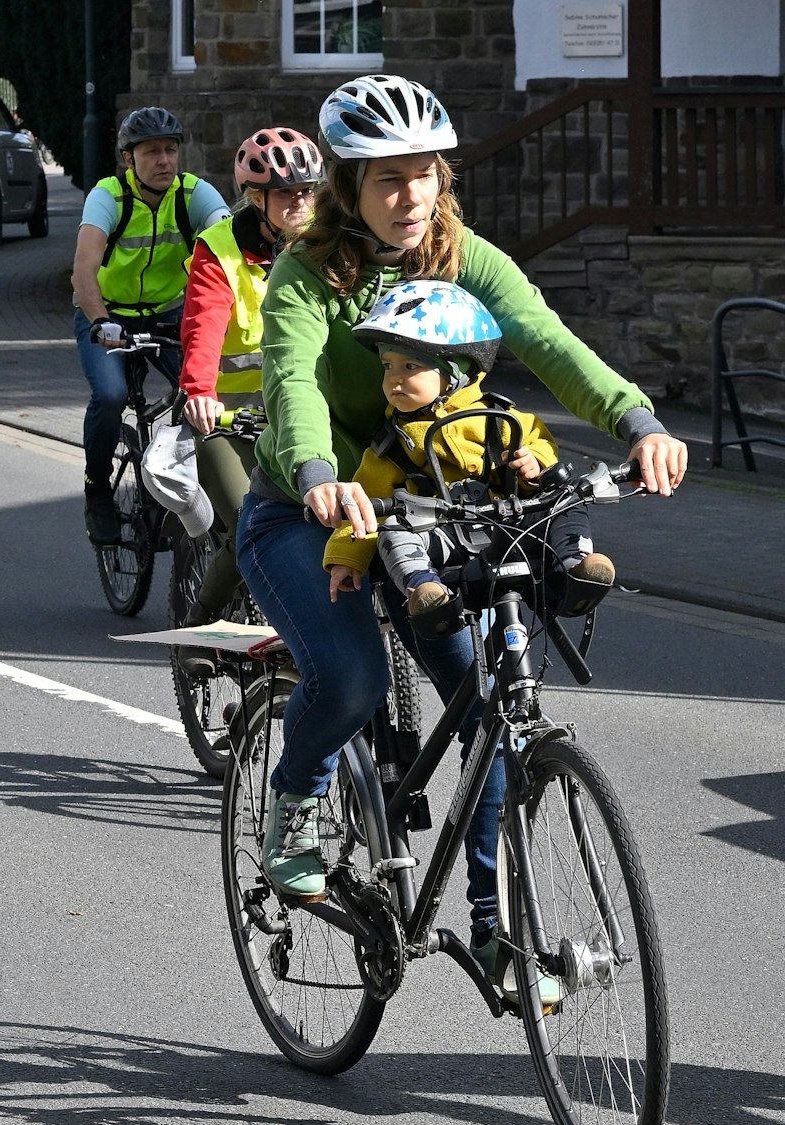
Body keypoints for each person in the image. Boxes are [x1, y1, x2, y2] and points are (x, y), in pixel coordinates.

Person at [244, 75, 685, 1005]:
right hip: (308, 510)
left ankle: (493, 936)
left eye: (426, 176)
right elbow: (289, 386)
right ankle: (294, 806)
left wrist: (636, 418)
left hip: (435, 510)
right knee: (354, 673)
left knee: (490, 711)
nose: (411, 198)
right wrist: (320, 476)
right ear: (348, 186)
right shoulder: (305, 275)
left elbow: (549, 340)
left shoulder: (462, 254)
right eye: (388, 180)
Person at [327, 279, 618, 627]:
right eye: (387, 366)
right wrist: (347, 556)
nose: (394, 380)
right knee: (393, 530)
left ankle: (576, 567)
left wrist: (534, 462)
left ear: (457, 372)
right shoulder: (395, 441)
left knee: (567, 500)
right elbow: (367, 501)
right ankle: (426, 590)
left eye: (409, 367)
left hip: (512, 529)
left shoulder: (501, 419)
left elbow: (542, 444)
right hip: (443, 537)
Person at [175, 126, 323, 623]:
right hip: (228, 420)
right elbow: (204, 325)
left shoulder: (329, 240)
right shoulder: (219, 249)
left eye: (308, 191)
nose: (300, 203)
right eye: (286, 193)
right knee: (250, 525)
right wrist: (198, 391)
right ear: (254, 197)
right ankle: (201, 619)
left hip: (303, 414)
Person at [69, 106, 227, 544]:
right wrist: (100, 320)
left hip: (169, 312)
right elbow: (84, 271)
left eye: (171, 150)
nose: (164, 161)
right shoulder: (107, 197)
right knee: (111, 394)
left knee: (202, 391)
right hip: (106, 313)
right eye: (152, 152)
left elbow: (232, 248)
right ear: (128, 159)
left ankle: (195, 483)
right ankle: (97, 490)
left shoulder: (193, 195)